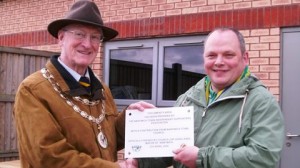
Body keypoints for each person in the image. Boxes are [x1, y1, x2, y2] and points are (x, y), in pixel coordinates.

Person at [13, 0, 153, 167]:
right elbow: (48, 157)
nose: (87, 44)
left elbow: (106, 142)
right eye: (79, 34)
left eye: (95, 37)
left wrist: (130, 118)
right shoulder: (33, 91)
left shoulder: (102, 89)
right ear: (61, 37)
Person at [130, 27, 285, 168]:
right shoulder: (187, 99)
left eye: (228, 55)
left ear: (245, 58)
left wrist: (202, 157)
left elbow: (263, 158)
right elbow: (171, 150)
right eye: (211, 55)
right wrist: (140, 161)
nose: (218, 62)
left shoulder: (261, 102)